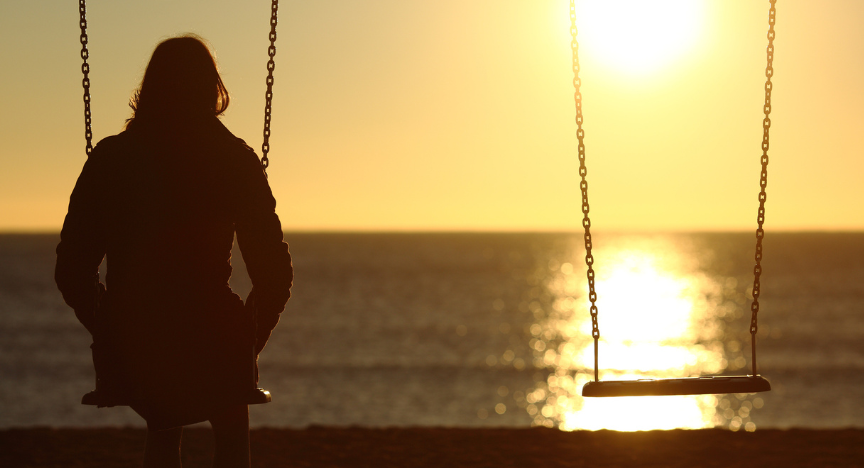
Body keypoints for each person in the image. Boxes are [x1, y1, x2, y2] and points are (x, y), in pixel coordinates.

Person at [55, 35, 293, 468]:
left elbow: (71, 270)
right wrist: (247, 343)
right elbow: (274, 275)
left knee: (162, 421)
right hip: (212, 336)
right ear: (212, 90)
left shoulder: (112, 158)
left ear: (150, 88)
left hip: (137, 340)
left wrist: (110, 327)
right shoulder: (233, 159)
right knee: (230, 426)